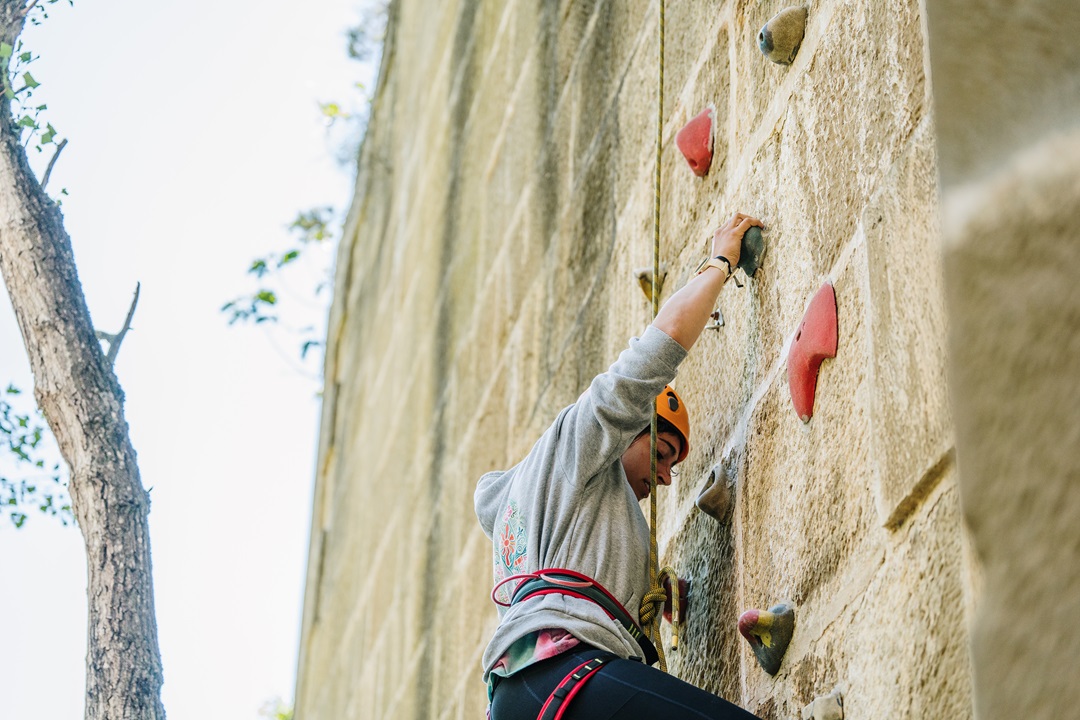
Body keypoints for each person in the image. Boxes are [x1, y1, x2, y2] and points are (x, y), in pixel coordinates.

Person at [474, 213, 766, 720]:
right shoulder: (576, 446)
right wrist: (720, 262)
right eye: (659, 453)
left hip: (521, 695)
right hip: (560, 673)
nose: (666, 477)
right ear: (627, 428)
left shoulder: (545, 512)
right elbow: (654, 352)